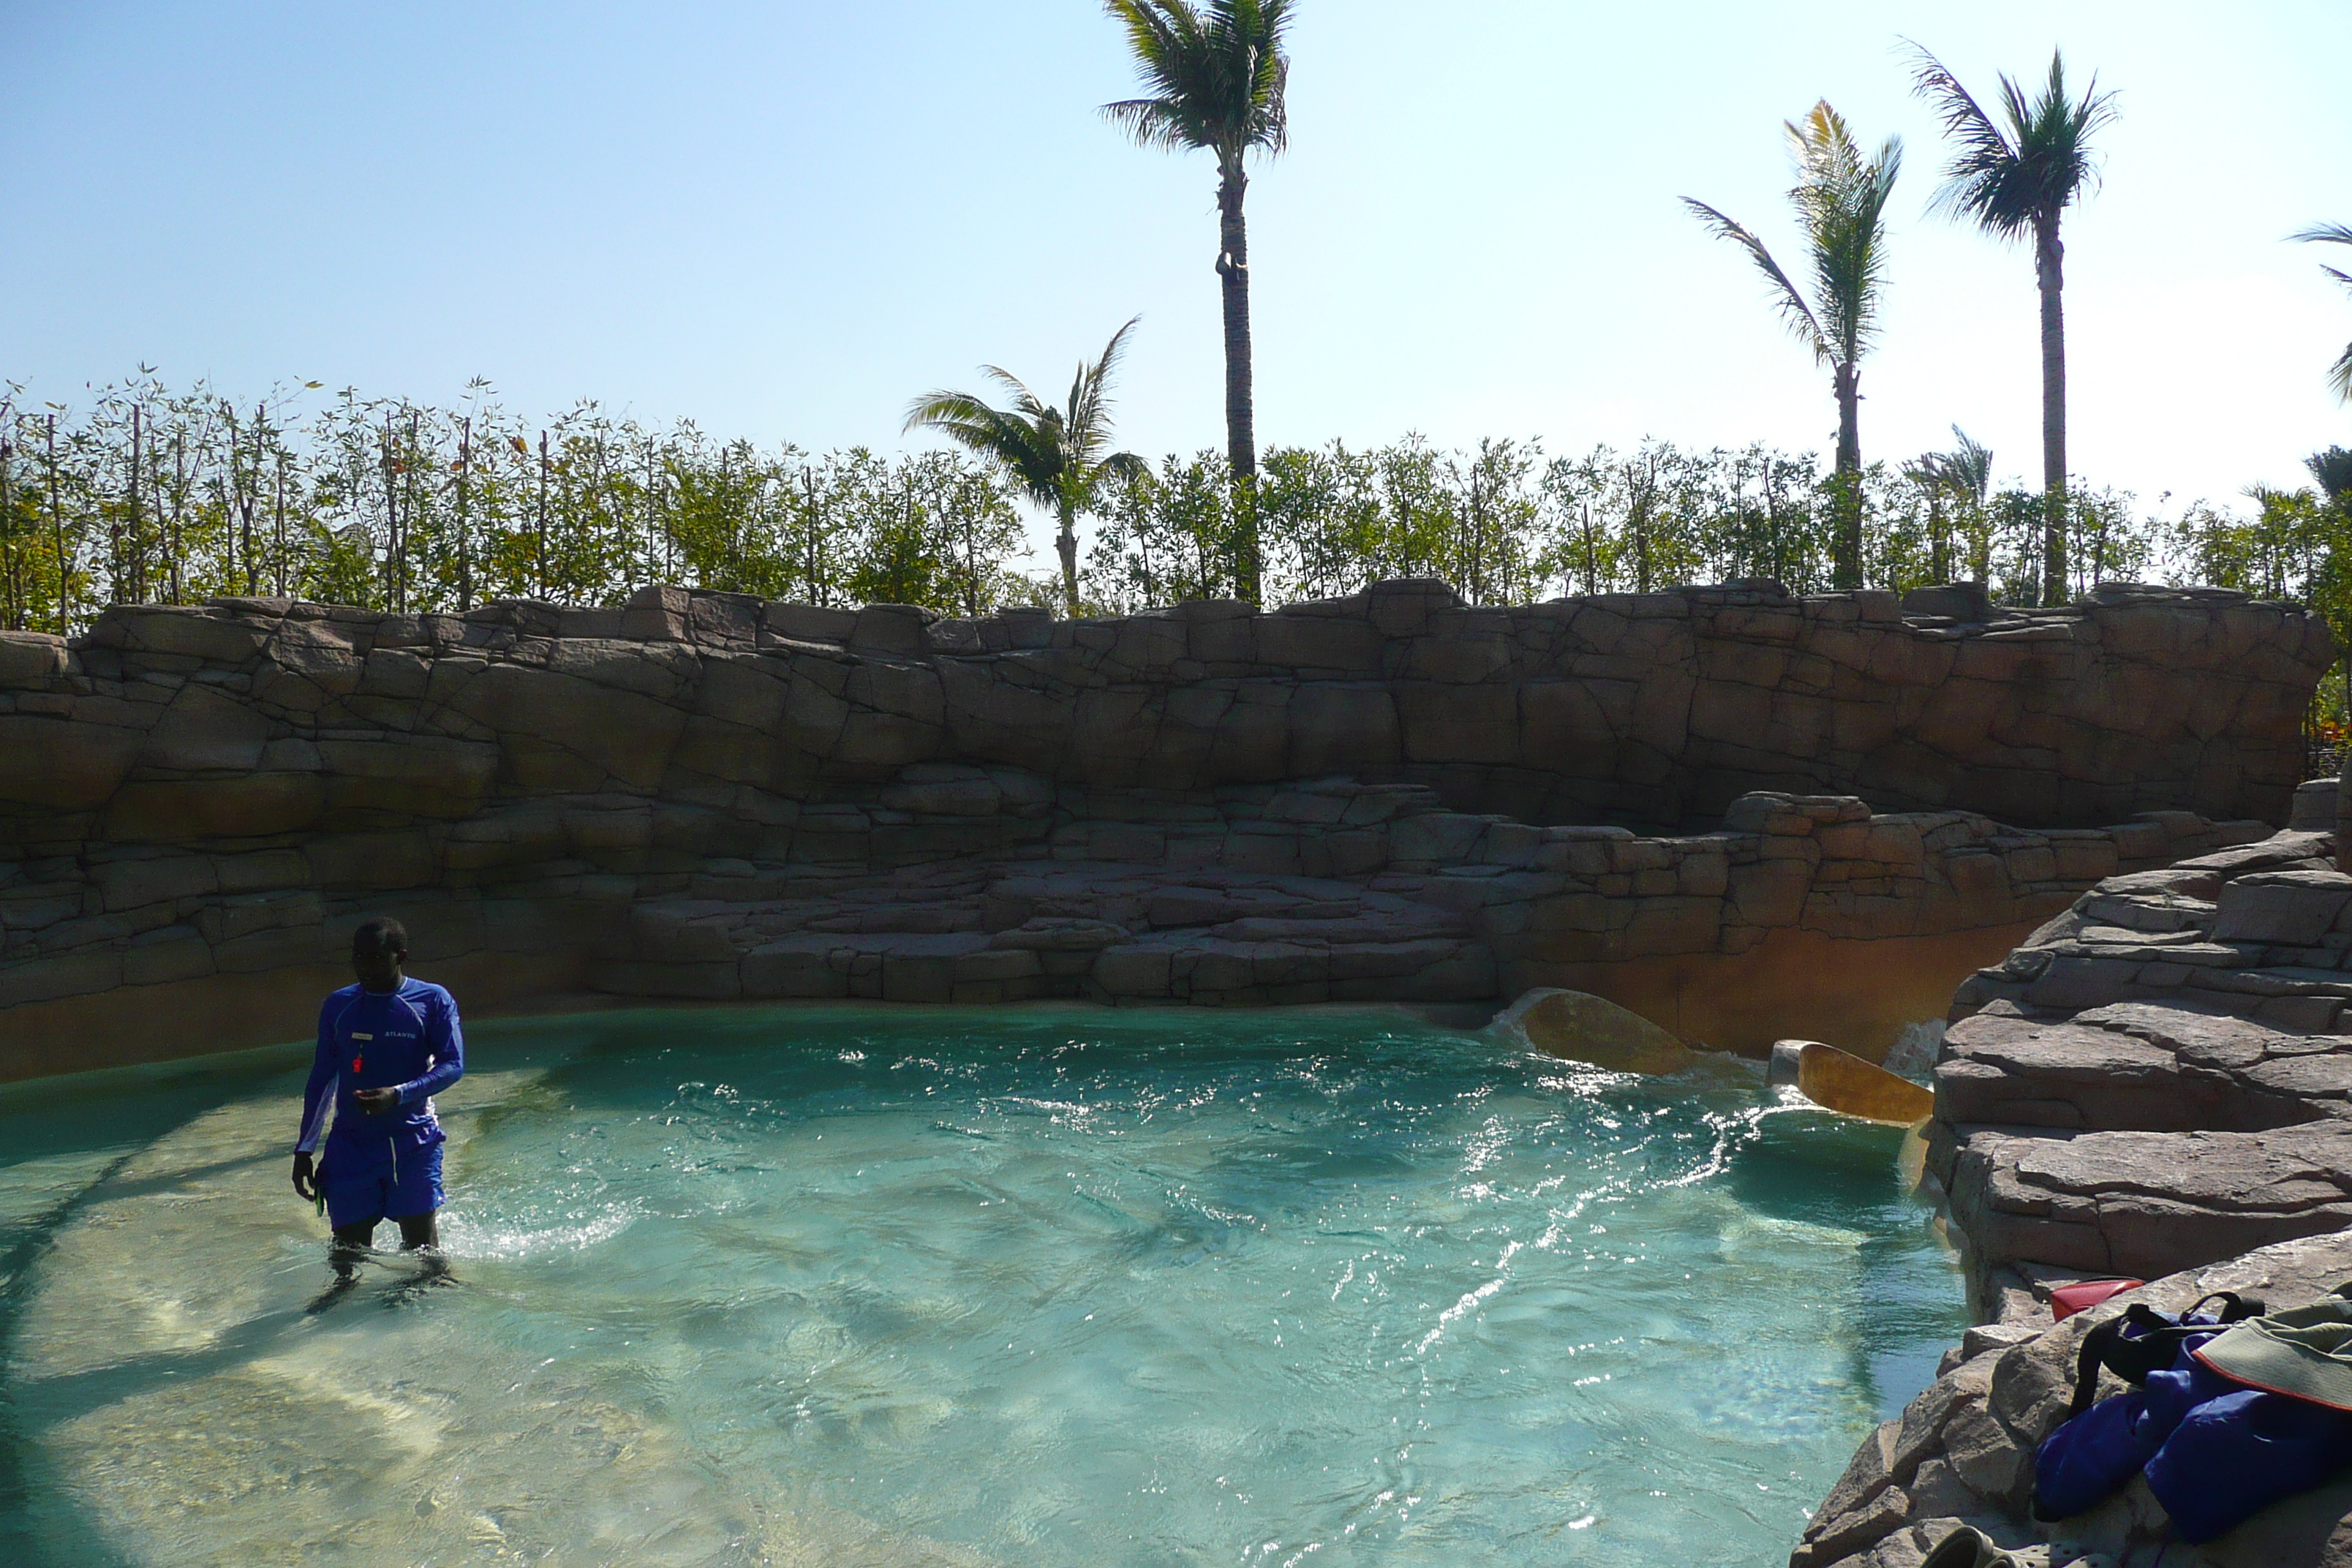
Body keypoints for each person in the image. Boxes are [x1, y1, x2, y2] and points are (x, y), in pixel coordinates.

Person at [290, 917, 464, 1292]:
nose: (364, 967)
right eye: (357, 957)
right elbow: (323, 1077)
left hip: (412, 1141)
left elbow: (453, 1066)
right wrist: (304, 1149)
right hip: (351, 1144)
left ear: (400, 956)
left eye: (374, 958)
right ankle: (342, 1310)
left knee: (423, 1253)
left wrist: (398, 1094)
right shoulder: (339, 1005)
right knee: (347, 1255)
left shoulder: (431, 1001)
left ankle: (427, 1306)